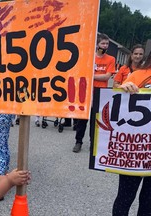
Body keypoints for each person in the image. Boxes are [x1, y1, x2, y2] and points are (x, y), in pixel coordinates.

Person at [112, 51, 151, 216]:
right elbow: (116, 101)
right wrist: (123, 90)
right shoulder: (138, 75)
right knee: (124, 198)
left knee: (149, 203)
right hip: (135, 151)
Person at [72, 33, 115, 153]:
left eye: (107, 44)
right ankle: (78, 142)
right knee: (82, 119)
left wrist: (91, 75)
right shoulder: (89, 57)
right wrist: (92, 76)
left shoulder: (111, 59)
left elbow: (107, 77)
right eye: (103, 43)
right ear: (97, 44)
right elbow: (83, 73)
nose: (105, 46)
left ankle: (93, 144)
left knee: (95, 120)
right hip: (87, 91)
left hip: (100, 92)